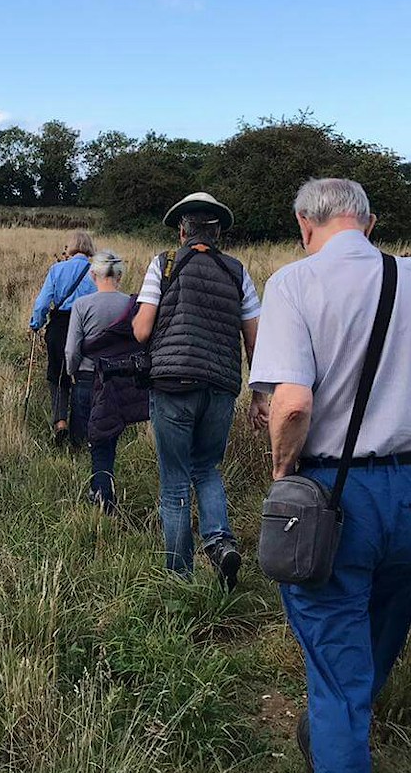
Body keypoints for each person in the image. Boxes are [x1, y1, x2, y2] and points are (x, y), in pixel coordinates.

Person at [248, 178, 411, 773]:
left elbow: (293, 405)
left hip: (335, 497)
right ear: (369, 222)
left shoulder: (294, 283)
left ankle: (335, 732)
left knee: (337, 677)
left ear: (304, 224)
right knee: (377, 642)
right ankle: (334, 728)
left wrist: (283, 474)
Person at [133, 192, 265, 587]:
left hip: (173, 383)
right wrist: (259, 397)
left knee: (174, 481)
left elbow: (142, 330)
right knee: (207, 469)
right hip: (221, 387)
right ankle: (220, 542)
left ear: (182, 231)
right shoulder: (237, 272)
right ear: (218, 232)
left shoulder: (164, 264)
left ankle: (180, 578)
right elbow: (255, 341)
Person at [64, 250, 138, 512]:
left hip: (87, 378)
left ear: (93, 275)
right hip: (120, 381)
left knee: (93, 437)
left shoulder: (82, 305)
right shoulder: (131, 305)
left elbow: (72, 350)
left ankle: (101, 492)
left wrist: (72, 371)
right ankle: (102, 486)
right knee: (108, 438)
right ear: (119, 275)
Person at [28, 229, 97, 446]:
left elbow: (42, 303)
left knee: (57, 374)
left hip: (59, 325)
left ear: (71, 247)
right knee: (81, 375)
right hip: (85, 327)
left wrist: (36, 323)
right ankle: (79, 431)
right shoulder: (97, 272)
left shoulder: (56, 269)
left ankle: (60, 422)